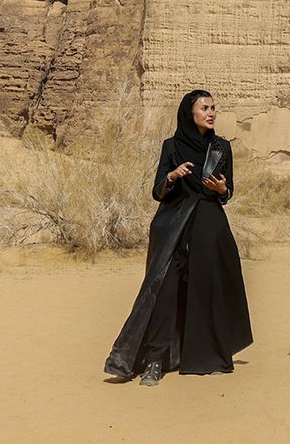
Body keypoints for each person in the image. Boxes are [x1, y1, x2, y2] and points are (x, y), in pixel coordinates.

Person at [104, 90, 252, 384]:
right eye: (204, 108)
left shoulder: (222, 148)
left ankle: (205, 355)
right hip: (174, 228)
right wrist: (172, 176)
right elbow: (158, 191)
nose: (211, 113)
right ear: (189, 112)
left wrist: (221, 190)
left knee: (205, 291)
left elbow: (229, 192)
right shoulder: (171, 146)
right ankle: (155, 361)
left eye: (213, 108)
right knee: (164, 291)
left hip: (210, 229)